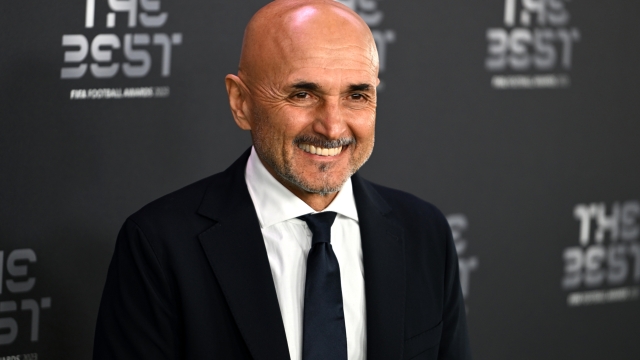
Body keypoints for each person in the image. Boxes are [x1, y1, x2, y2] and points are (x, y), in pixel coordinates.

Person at [93, 0, 471, 359]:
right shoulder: (159, 244)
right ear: (241, 103)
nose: (333, 126)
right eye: (303, 94)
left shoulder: (425, 232)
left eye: (356, 95)